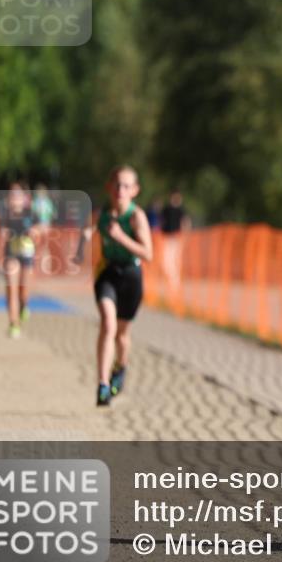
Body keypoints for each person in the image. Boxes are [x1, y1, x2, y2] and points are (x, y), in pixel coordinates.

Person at [75, 166, 153, 407]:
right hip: (107, 272)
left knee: (122, 334)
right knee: (107, 324)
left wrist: (121, 238)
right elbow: (91, 233)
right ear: (109, 187)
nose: (121, 190)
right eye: (117, 184)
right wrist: (81, 244)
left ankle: (121, 367)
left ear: (135, 191)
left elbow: (148, 253)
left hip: (131, 276)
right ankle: (103, 383)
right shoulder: (104, 213)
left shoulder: (135, 217)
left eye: (126, 186)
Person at [0, 182, 37, 338]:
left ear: (24, 198)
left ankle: (24, 305)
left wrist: (34, 232)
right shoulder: (5, 214)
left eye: (17, 194)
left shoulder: (30, 214)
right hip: (11, 254)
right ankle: (13, 323)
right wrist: (6, 234)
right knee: (11, 289)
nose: (14, 197)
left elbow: (40, 229)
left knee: (23, 290)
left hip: (27, 253)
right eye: (12, 194)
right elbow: (1, 231)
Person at [160, 190, 189, 290]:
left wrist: (185, 235)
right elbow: (162, 222)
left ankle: (175, 282)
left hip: (176, 238)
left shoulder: (181, 210)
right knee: (166, 261)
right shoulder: (166, 209)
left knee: (175, 260)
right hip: (167, 238)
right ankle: (171, 281)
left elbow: (185, 223)